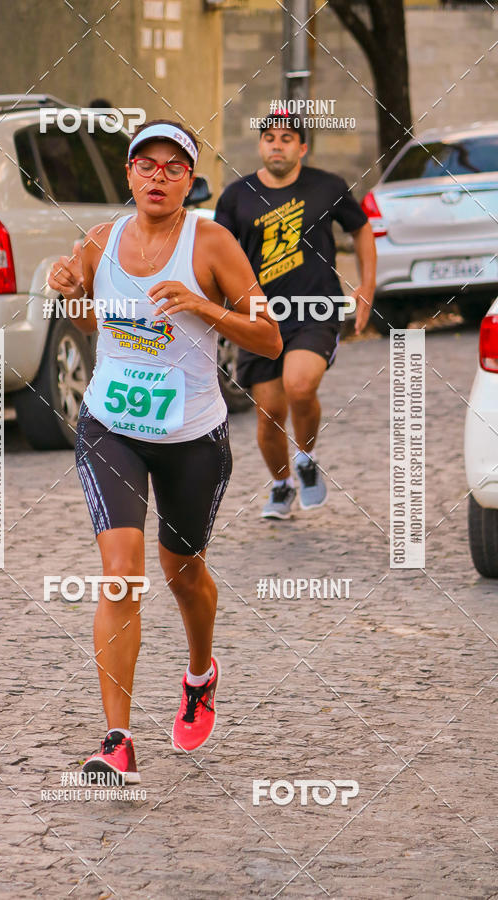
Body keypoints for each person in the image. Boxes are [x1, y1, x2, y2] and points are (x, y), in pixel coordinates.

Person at [48, 119, 281, 784]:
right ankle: (116, 740)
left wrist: (203, 306)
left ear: (190, 178)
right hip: (111, 427)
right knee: (121, 572)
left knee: (183, 574)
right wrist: (73, 294)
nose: (157, 177)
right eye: (145, 166)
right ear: (129, 176)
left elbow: (268, 340)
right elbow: (99, 322)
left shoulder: (212, 244)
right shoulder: (100, 242)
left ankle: (201, 674)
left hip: (192, 438)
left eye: (172, 167)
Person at [215, 116, 376, 519]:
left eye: (287, 139)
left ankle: (306, 456)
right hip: (258, 316)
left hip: (315, 309)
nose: (277, 146)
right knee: (269, 413)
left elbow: (361, 230)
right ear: (260, 146)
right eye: (269, 138)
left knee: (299, 386)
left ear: (302, 148)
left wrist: (367, 287)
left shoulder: (328, 187)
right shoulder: (237, 196)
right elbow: (216, 251)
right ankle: (284, 484)